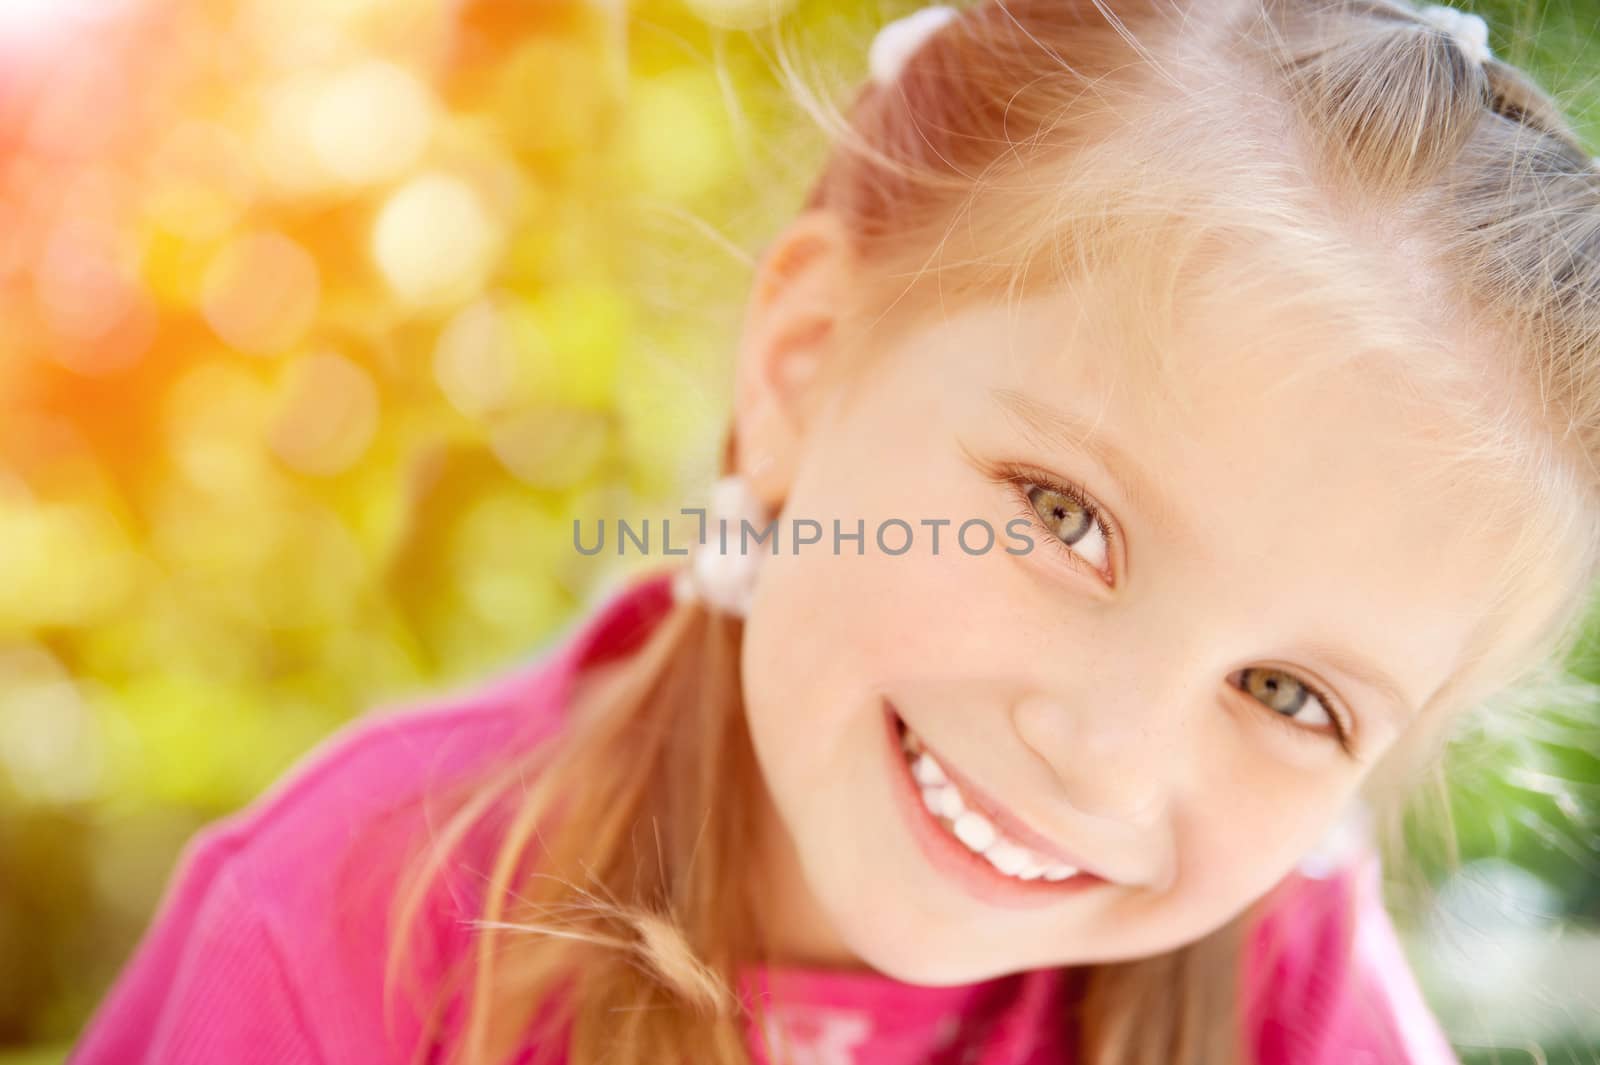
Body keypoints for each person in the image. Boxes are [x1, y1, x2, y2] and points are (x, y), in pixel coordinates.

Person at [70, 0, 1600, 1062]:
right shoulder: (361, 919)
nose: (1109, 755)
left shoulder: (1289, 996)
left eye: (1291, 695)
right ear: (804, 365)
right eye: (1065, 515)